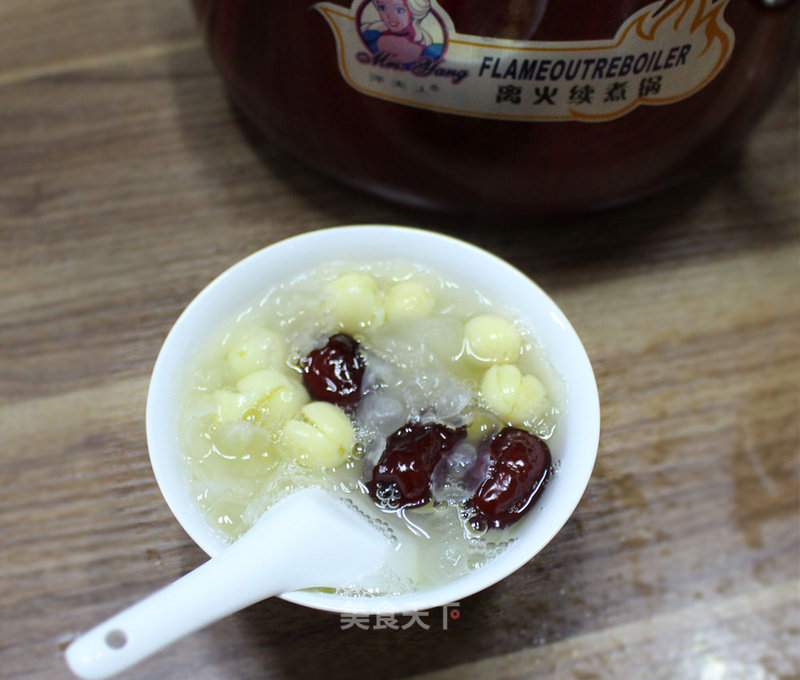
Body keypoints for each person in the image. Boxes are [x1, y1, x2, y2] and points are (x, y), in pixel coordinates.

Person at [361, 0, 444, 64]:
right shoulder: (370, 35)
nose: (389, 15)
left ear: (413, 12)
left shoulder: (432, 50)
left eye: (399, 10)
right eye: (382, 8)